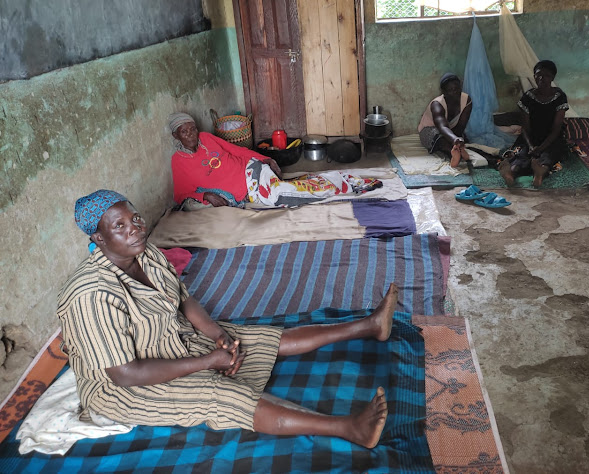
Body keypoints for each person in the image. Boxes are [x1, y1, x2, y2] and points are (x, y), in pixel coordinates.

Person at [58, 190, 398, 448]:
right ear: (99, 239)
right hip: (124, 386)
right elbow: (125, 373)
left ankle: (369, 325)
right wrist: (207, 362)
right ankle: (348, 428)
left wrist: (219, 335)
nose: (135, 229)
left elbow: (185, 301)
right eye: (120, 226)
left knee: (252, 340)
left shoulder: (146, 253)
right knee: (219, 395)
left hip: (172, 341)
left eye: (135, 219)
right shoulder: (91, 294)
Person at [169, 113, 381, 208]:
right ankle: (339, 182)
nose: (191, 134)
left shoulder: (207, 138)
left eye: (193, 129)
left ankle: (343, 186)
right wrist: (206, 195)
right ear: (176, 136)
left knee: (278, 194)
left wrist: (265, 159)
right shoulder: (179, 162)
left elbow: (237, 151)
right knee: (281, 194)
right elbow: (180, 195)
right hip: (244, 194)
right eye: (184, 132)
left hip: (251, 171)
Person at [497, 60, 569, 187]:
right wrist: (530, 146)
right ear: (534, 76)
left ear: (552, 77)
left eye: (546, 75)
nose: (542, 78)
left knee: (549, 155)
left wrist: (540, 148)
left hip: (551, 138)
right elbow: (525, 127)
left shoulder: (559, 96)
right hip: (531, 137)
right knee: (521, 154)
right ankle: (511, 173)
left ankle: (539, 172)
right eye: (538, 75)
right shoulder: (528, 97)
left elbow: (557, 128)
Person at [417, 73, 473, 168]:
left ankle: (457, 150)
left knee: (461, 138)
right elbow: (442, 126)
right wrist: (454, 139)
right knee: (440, 137)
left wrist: (457, 139)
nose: (455, 92)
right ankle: (454, 153)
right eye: (450, 90)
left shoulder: (466, 99)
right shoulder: (437, 104)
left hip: (450, 129)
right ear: (444, 92)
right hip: (430, 130)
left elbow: (461, 124)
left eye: (456, 89)